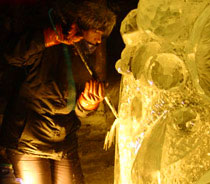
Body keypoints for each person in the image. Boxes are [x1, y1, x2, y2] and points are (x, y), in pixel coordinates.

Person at [0, 1, 116, 184]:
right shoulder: (46, 41)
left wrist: (86, 104)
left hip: (64, 141)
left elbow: (77, 110)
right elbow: (11, 56)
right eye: (98, 32)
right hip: (29, 140)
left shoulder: (87, 56)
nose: (99, 40)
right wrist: (47, 37)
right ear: (82, 24)